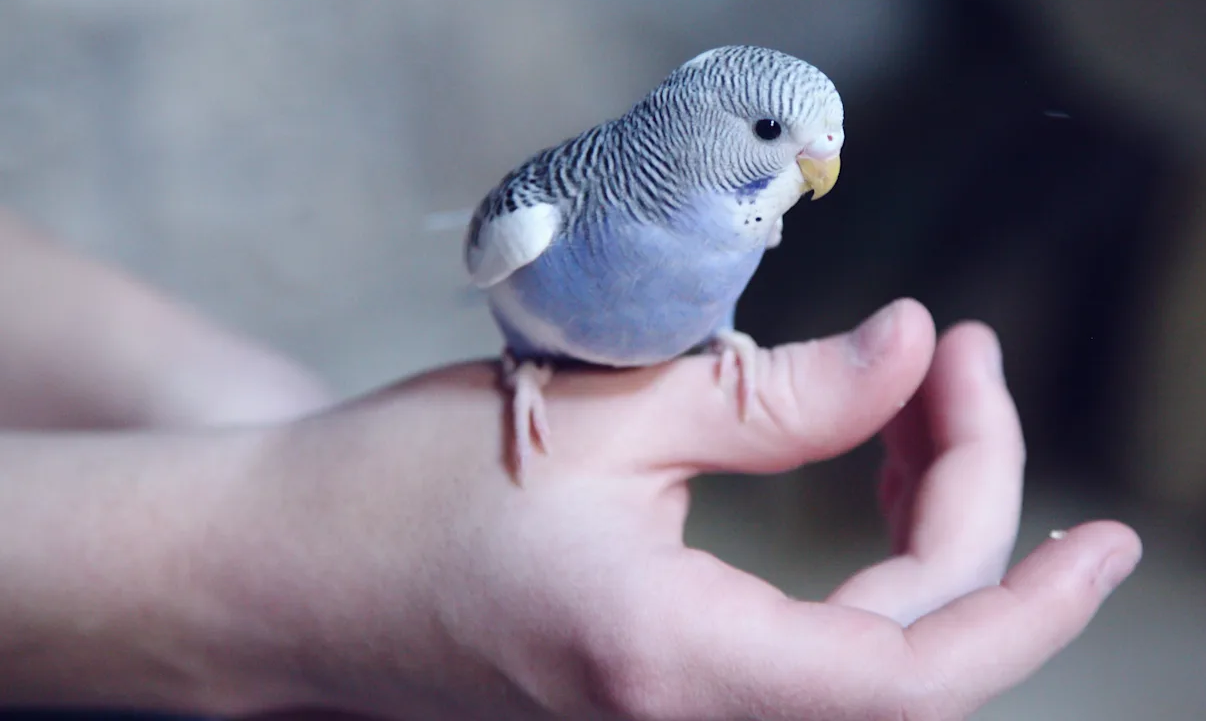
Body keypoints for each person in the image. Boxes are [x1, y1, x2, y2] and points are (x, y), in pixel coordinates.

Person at [0, 207, 1140, 720]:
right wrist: (277, 548)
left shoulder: (749, 212)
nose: (812, 169)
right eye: (774, 147)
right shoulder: (546, 214)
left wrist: (268, 430)